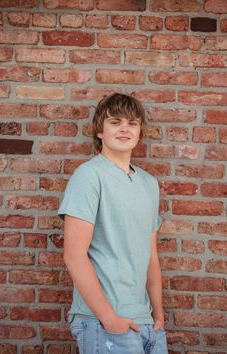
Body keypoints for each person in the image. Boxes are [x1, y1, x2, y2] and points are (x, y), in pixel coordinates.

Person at [58, 93, 168, 354]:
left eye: (132, 123)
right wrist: (109, 318)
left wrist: (159, 316)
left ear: (140, 131)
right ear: (99, 131)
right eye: (115, 122)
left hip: (147, 322)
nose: (124, 129)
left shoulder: (149, 184)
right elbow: (74, 255)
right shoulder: (89, 176)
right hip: (103, 321)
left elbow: (151, 258)